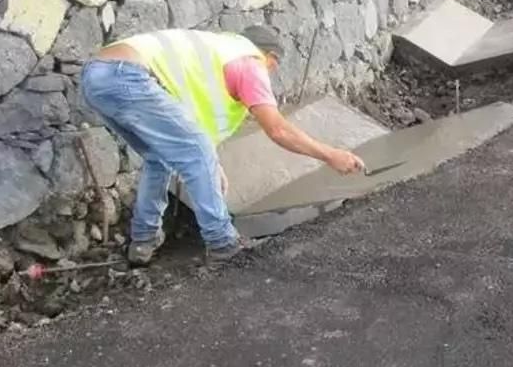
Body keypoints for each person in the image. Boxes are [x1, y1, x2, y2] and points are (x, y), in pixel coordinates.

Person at [80, 26, 365, 264]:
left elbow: (187, 129)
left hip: (96, 77)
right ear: (271, 59)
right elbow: (277, 130)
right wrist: (330, 155)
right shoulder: (249, 62)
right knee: (192, 152)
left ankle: (142, 242)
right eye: (273, 67)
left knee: (159, 157)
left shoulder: (214, 56)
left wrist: (211, 164)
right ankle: (223, 244)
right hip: (128, 76)